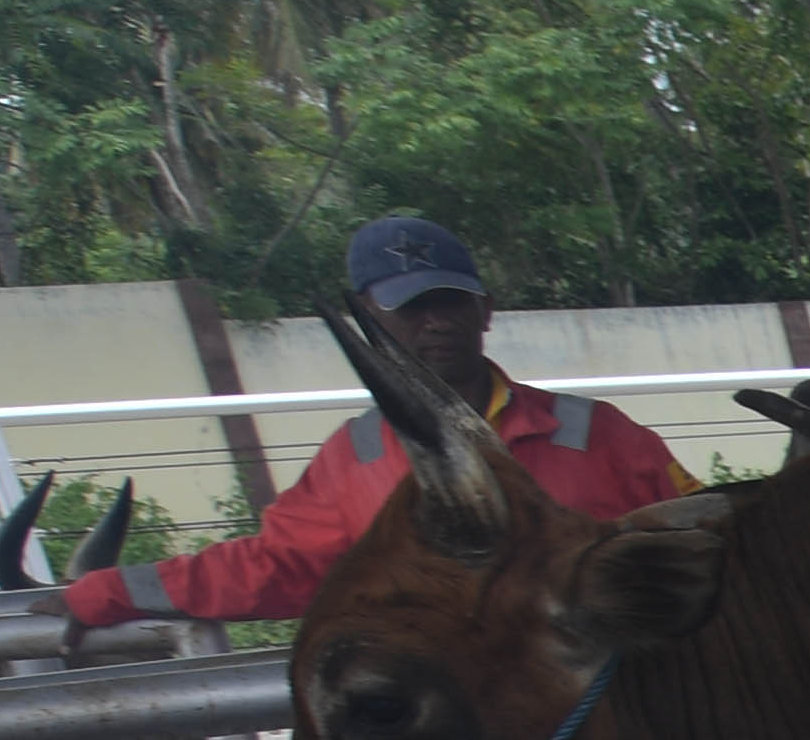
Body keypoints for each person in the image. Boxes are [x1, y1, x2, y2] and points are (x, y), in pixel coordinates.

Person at [52, 216, 687, 634]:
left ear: (485, 310)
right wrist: (107, 593)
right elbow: (273, 567)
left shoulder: (596, 431)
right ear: (366, 318)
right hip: (462, 713)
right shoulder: (351, 458)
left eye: (450, 302)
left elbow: (698, 526)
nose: (437, 322)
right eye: (411, 307)